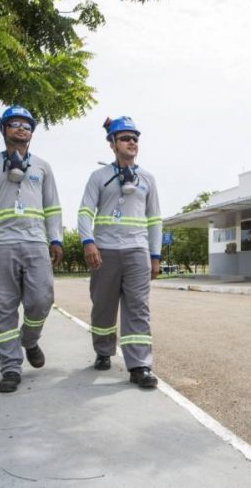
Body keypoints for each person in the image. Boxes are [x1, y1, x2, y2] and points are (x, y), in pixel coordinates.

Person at [78, 116, 162, 388]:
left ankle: (139, 366)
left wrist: (155, 255)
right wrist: (88, 241)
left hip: (137, 251)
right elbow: (85, 211)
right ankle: (103, 351)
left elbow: (154, 219)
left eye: (135, 138)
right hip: (105, 251)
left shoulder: (147, 179)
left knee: (138, 308)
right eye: (125, 138)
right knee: (103, 307)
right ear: (112, 143)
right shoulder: (99, 177)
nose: (132, 142)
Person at [0, 105, 63, 393]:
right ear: (3, 129)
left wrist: (56, 239)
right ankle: (10, 368)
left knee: (41, 299)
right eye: (15, 123)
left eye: (27, 125)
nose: (22, 128)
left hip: (36, 243)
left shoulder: (42, 166)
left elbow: (52, 206)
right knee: (3, 310)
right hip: (2, 245)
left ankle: (30, 339)